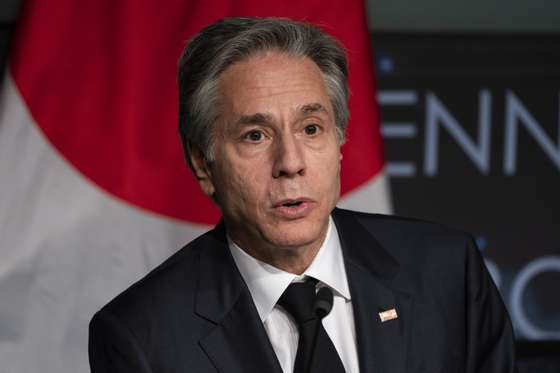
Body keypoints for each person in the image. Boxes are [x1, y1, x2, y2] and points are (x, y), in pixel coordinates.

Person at [88, 17, 517, 373]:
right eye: (255, 135)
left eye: (311, 129)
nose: (290, 162)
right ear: (204, 164)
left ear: (340, 140)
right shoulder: (140, 336)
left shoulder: (446, 273)